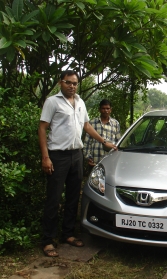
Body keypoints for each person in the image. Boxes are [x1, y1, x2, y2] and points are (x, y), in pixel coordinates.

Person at [38, 70, 117, 257]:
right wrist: (45, 157)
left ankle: (68, 234)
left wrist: (104, 141)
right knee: (54, 198)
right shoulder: (52, 102)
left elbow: (86, 126)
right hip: (57, 156)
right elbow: (42, 128)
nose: (72, 86)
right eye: (68, 82)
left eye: (74, 83)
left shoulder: (80, 102)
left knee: (74, 196)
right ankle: (48, 240)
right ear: (60, 83)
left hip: (76, 155)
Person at [83, 99, 121, 166]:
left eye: (107, 108)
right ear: (99, 109)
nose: (105, 111)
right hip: (95, 161)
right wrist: (88, 157)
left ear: (110, 110)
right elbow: (87, 142)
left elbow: (118, 142)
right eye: (103, 108)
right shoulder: (92, 123)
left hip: (110, 161)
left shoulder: (115, 123)